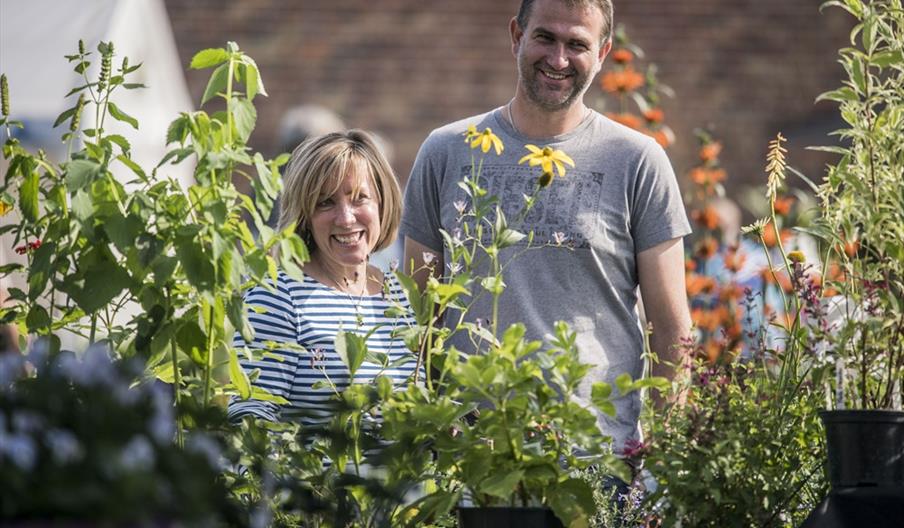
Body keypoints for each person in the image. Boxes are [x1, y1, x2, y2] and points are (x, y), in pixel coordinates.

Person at [401, 0, 692, 459]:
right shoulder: (447, 151)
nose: (558, 60)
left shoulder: (636, 160)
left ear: (603, 52)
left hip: (595, 456)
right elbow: (416, 314)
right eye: (545, 38)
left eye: (577, 44)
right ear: (517, 36)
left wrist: (666, 461)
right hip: (470, 455)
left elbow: (672, 328)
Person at [228, 130, 420, 427]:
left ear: (382, 203)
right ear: (304, 214)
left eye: (359, 198)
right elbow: (250, 421)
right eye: (325, 203)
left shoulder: (398, 294)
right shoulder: (276, 297)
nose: (345, 218)